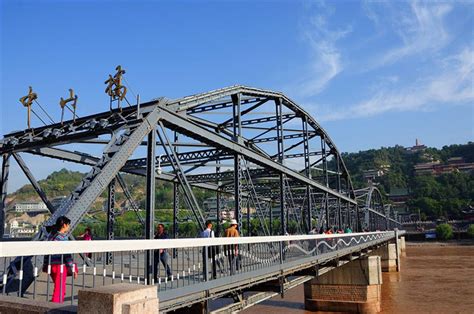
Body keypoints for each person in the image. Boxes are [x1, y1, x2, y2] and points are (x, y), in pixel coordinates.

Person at [43, 216, 78, 303]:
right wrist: (73, 268)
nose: (69, 227)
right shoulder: (63, 238)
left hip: (51, 266)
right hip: (60, 266)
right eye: (68, 225)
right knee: (59, 289)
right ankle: (55, 308)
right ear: (64, 225)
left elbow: (47, 253)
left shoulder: (51, 235)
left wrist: (46, 265)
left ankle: (58, 301)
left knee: (60, 287)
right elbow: (67, 256)